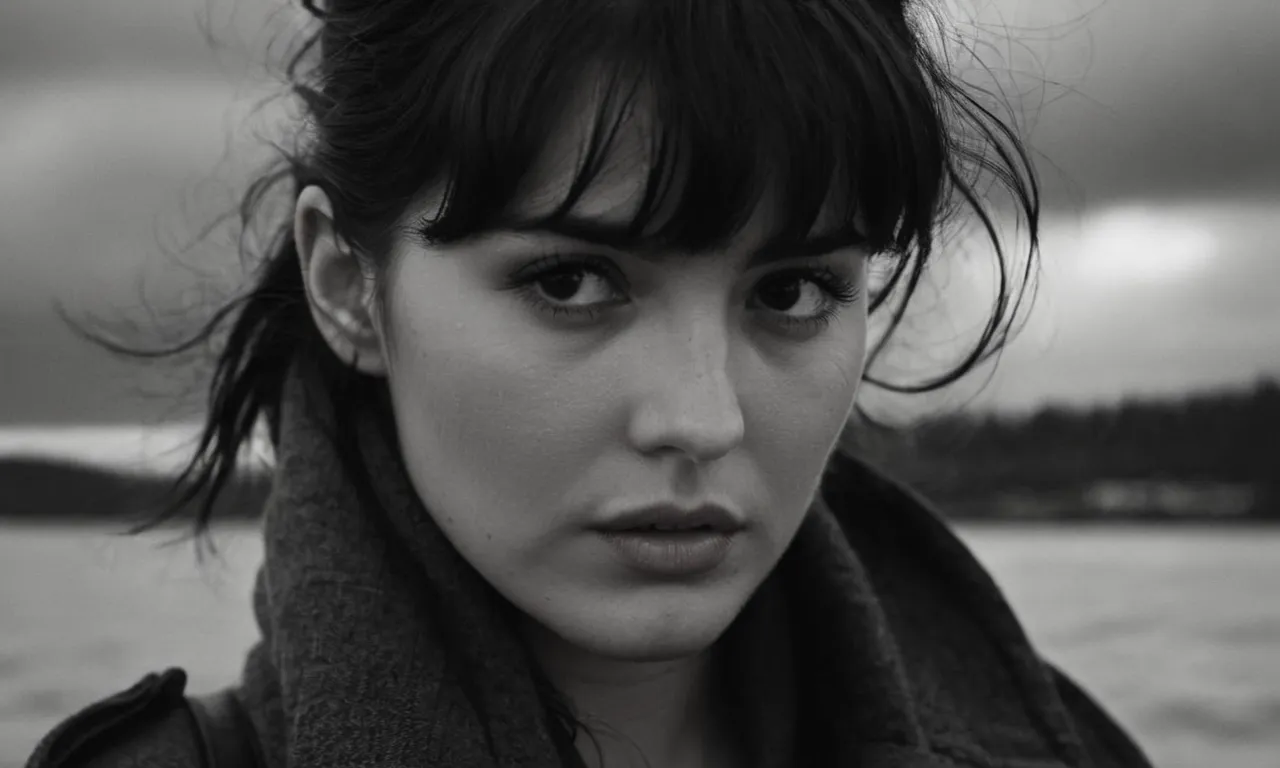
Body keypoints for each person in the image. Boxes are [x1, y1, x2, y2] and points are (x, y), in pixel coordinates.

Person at [28, 1, 1156, 767]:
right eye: (571, 282)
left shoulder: (1061, 747)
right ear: (345, 283)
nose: (701, 420)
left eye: (793, 290)